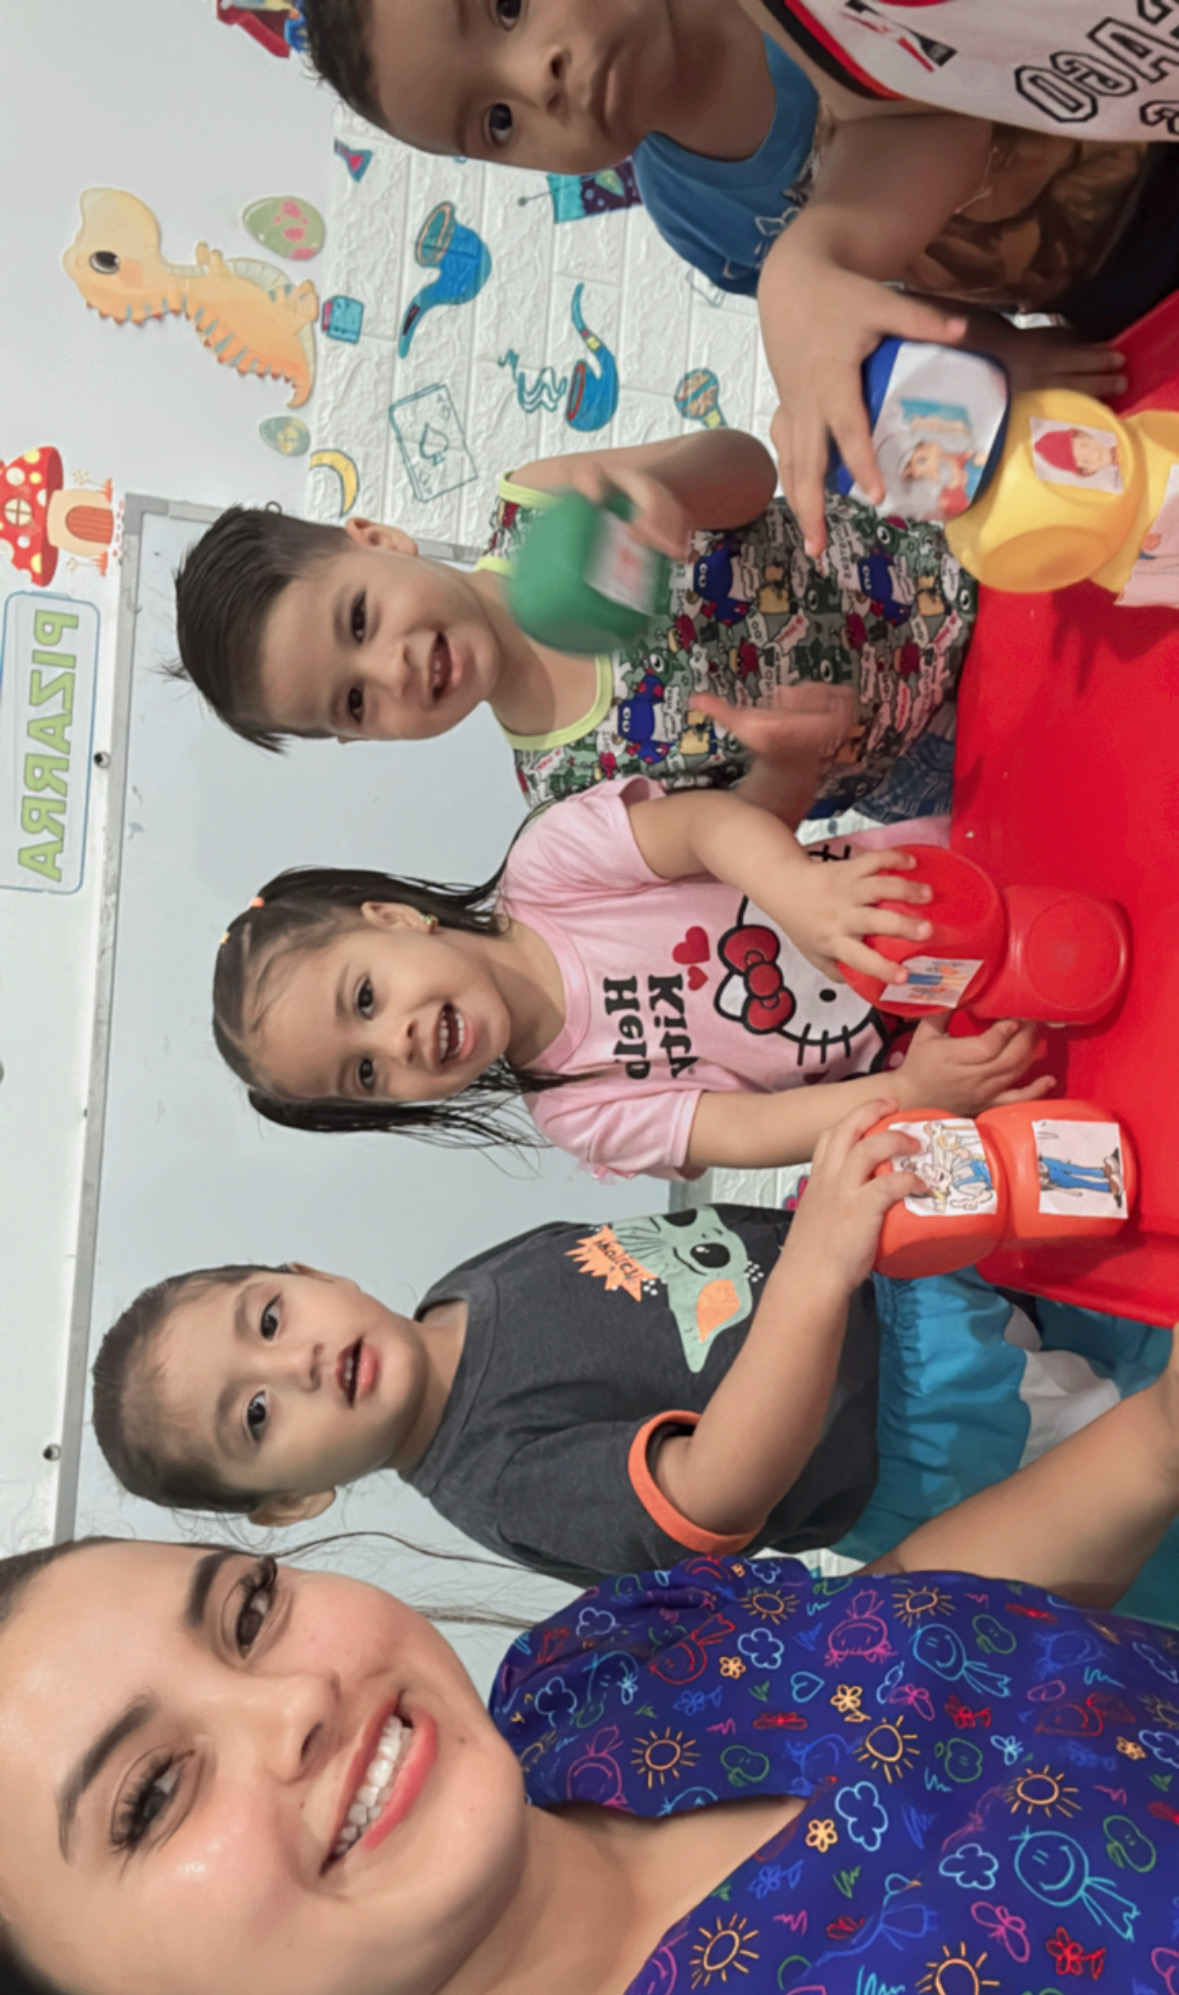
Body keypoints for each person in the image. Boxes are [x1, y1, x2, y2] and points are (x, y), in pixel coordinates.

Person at [2, 1324, 1179, 1995]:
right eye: (152, 1791)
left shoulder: (591, 1670)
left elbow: (919, 1616)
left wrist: (1158, 1437)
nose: (297, 1698)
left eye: (248, 1612)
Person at [89, 1107, 1174, 1611]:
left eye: (269, 1319)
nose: (296, 1365)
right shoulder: (494, 1480)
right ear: (292, 1502)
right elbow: (715, 1492)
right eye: (257, 1417)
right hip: (929, 1430)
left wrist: (827, 1211)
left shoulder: (468, 1284)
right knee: (1147, 1444)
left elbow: (700, 1263)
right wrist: (815, 1270)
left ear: (307, 1269)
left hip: (912, 1286)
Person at [293, 0, 1135, 560]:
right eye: (497, 122)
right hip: (1096, 296)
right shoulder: (691, 215)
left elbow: (932, 111)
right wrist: (994, 357)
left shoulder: (797, 20)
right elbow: (886, 309)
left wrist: (807, 263)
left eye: (508, 5)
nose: (533, 81)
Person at [209, 780, 1050, 1176]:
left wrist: (794, 891)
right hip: (942, 1054)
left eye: (364, 998)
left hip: (942, 895)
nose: (394, 1042)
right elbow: (752, 1132)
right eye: (364, 1074)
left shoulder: (549, 867)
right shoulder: (577, 1111)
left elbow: (703, 825)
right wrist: (911, 1092)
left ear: (393, 918)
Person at [174, 428, 975, 826]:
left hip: (942, 568)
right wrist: (785, 766)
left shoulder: (544, 504)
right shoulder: (566, 796)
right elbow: (740, 835)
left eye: (359, 620)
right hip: (914, 764)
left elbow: (749, 469)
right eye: (354, 703)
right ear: (359, 740)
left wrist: (664, 487)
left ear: (380, 539)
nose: (391, 670)